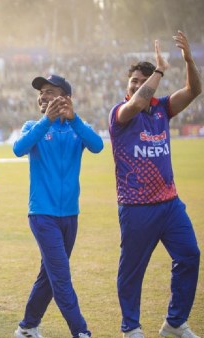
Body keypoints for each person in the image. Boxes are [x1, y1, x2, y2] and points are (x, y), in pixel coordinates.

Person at [109, 31, 201, 338]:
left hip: (170, 204)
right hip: (136, 208)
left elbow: (194, 90)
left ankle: (175, 323)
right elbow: (136, 103)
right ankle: (131, 328)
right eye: (133, 80)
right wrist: (159, 71)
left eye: (141, 80)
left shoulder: (162, 108)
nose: (136, 85)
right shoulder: (120, 114)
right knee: (132, 271)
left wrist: (188, 59)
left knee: (189, 255)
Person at [12, 74, 103, 338]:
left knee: (49, 275)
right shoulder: (34, 125)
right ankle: (81, 331)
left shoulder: (77, 127)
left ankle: (27, 326)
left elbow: (97, 146)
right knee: (61, 276)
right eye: (41, 93)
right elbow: (19, 149)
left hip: (70, 215)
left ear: (66, 98)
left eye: (50, 91)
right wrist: (47, 120)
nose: (42, 97)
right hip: (42, 214)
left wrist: (74, 119)